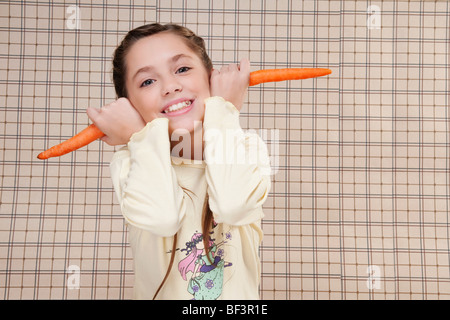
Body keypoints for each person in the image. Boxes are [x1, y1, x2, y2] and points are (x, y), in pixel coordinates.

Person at [86, 23, 271, 300]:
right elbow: (164, 218)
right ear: (128, 106)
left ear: (211, 77)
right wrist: (140, 138)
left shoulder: (248, 149)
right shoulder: (130, 163)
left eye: (182, 69)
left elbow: (233, 206)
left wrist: (223, 108)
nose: (171, 87)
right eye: (147, 81)